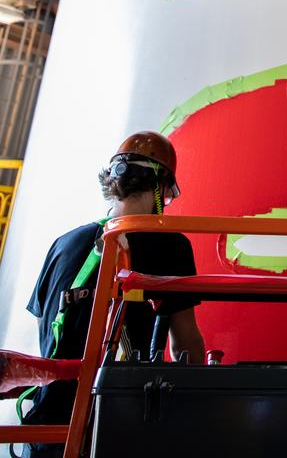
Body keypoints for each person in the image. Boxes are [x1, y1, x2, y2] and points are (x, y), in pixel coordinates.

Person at [19, 131, 204, 456]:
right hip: (117, 426)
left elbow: (47, 334)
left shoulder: (63, 244)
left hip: (48, 428)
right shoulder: (170, 245)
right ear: (161, 188)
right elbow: (185, 343)